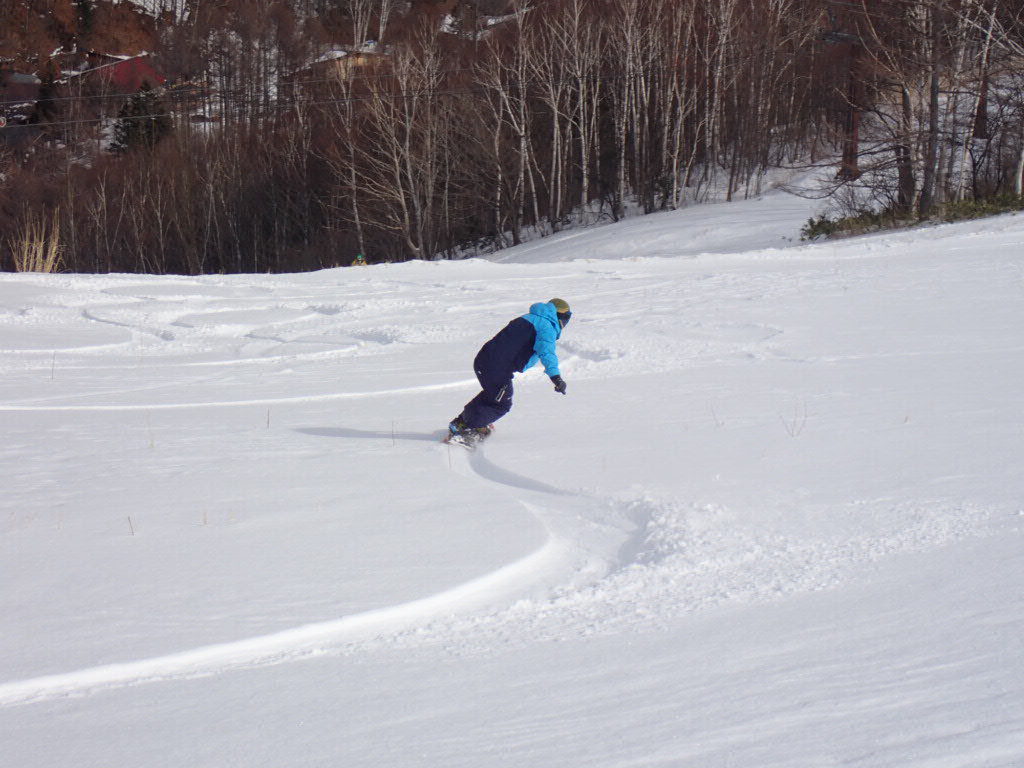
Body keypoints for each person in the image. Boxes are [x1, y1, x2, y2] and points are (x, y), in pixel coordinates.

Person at [447, 298, 570, 443]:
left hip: (484, 360)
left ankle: (461, 423)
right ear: (560, 316)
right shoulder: (546, 326)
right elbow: (547, 352)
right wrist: (556, 377)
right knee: (501, 404)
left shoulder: (529, 318)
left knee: (494, 395)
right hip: (497, 367)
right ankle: (466, 432)